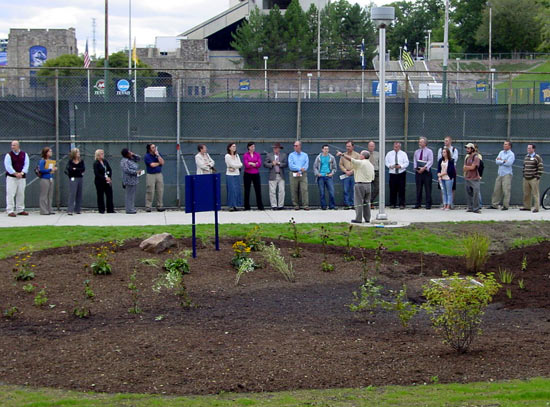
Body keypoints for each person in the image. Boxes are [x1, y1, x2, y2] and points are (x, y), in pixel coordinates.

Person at [337, 150, 375, 224]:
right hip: (369, 185)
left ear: (363, 156)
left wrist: (342, 155)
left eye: (360, 154)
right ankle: (367, 218)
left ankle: (358, 218)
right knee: (367, 202)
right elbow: (372, 176)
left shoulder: (361, 162)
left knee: (358, 202)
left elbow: (351, 160)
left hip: (360, 184)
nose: (359, 156)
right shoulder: (370, 165)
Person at [4, 140, 29, 217]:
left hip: (21, 177)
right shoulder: (9, 155)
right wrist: (15, 173)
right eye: (12, 145)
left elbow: (26, 164)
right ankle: (10, 210)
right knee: (10, 193)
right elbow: (8, 166)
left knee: (21, 193)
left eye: (14, 145)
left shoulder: (24, 154)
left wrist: (22, 173)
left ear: (18, 146)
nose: (12, 147)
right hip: (11, 177)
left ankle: (20, 209)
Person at [490, 141, 515, 211]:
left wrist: (501, 161)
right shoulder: (501, 152)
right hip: (500, 173)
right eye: (504, 144)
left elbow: (509, 163)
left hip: (507, 174)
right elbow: (497, 161)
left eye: (506, 144)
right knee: (497, 189)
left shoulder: (511, 154)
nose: (504, 145)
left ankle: (505, 205)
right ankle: (494, 204)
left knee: (506, 190)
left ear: (509, 146)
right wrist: (503, 161)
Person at [385, 141, 409, 209]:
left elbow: (406, 163)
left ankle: (402, 204)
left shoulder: (403, 154)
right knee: (392, 189)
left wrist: (401, 166)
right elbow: (386, 162)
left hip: (401, 173)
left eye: (397, 146)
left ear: (400, 147)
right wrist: (390, 166)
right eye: (395, 146)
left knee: (401, 189)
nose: (396, 148)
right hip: (392, 173)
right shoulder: (389, 153)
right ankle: (392, 203)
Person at [264, 142, 287, 210]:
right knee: (272, 191)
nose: (276, 149)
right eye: (274, 148)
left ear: (279, 149)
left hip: (281, 175)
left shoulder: (283, 155)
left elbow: (286, 164)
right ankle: (274, 205)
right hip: (272, 175)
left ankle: (280, 205)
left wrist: (279, 163)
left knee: (282, 191)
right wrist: (272, 164)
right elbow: (265, 164)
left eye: (277, 148)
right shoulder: (269, 155)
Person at [521, 143, 544, 213]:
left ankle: (536, 208)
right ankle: (527, 206)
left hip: (534, 178)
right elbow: (524, 166)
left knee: (535, 193)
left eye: (530, 148)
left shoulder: (537, 157)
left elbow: (540, 168)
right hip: (526, 178)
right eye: (528, 148)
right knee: (526, 193)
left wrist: (537, 177)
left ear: (533, 149)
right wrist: (524, 174)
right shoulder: (526, 157)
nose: (528, 149)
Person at [437, 136, 459, 207]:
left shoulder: (454, 150)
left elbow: (454, 159)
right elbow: (439, 159)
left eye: (446, 141)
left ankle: (450, 203)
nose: (445, 142)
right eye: (444, 141)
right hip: (442, 170)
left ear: (450, 141)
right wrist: (440, 173)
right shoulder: (441, 149)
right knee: (442, 188)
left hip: (450, 171)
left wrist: (448, 159)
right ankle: (444, 203)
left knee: (451, 188)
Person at [313, 144, 337, 210]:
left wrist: (332, 173)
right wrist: (318, 174)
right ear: (322, 149)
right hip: (320, 177)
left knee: (331, 192)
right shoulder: (318, 157)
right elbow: (315, 167)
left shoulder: (331, 157)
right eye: (325, 149)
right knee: (322, 192)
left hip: (329, 177)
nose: (326, 150)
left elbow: (334, 168)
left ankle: (332, 206)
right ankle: (323, 206)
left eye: (327, 149)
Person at [339, 140, 361, 210]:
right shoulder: (343, 155)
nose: (348, 148)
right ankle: (347, 204)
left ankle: (353, 204)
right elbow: (341, 164)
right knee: (346, 190)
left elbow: (359, 164)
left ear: (353, 147)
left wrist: (352, 171)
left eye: (349, 146)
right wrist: (345, 171)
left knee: (354, 190)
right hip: (346, 175)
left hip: (354, 175)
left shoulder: (357, 155)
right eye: (347, 146)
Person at [288, 140, 310, 210]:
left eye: (296, 146)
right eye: (294, 146)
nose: (295, 147)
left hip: (303, 174)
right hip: (293, 173)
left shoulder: (305, 155)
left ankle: (305, 205)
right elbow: (291, 165)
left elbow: (306, 165)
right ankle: (296, 205)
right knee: (294, 190)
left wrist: (300, 171)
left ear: (300, 146)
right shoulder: (291, 155)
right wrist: (300, 169)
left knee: (304, 189)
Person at [413, 137, 434, 209]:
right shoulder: (416, 152)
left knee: (428, 188)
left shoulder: (429, 151)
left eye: (421, 142)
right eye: (419, 142)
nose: (419, 143)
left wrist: (424, 168)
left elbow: (430, 161)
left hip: (426, 172)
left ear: (425, 143)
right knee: (418, 188)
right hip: (418, 172)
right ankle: (418, 203)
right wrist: (416, 168)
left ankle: (428, 204)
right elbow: (415, 161)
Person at [243, 142, 264, 211]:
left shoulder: (257, 154)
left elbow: (259, 164)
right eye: (252, 146)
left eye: (254, 147)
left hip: (256, 173)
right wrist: (254, 164)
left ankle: (260, 206)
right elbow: (246, 165)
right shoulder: (246, 155)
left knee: (258, 190)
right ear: (248, 147)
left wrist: (251, 163)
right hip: (247, 174)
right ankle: (246, 206)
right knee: (247, 190)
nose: (253, 148)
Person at [144, 143, 165, 212]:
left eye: (155, 147)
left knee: (160, 190)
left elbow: (163, 162)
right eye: (153, 147)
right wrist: (159, 163)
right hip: (151, 174)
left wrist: (158, 155)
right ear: (149, 149)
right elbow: (152, 165)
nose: (154, 148)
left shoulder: (158, 155)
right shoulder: (147, 156)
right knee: (150, 190)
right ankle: (148, 206)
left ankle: (160, 206)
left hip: (159, 174)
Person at [120, 148, 142, 214]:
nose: (130, 153)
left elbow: (139, 158)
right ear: (126, 154)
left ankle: (131, 208)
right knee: (129, 195)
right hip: (128, 180)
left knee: (132, 195)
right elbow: (126, 170)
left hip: (134, 180)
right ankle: (129, 209)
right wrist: (136, 172)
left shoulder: (131, 159)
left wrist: (133, 154)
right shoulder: (124, 161)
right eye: (129, 152)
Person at [93, 149, 115, 214]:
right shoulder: (96, 163)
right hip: (100, 181)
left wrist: (109, 177)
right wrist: (104, 178)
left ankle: (110, 209)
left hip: (107, 180)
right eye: (101, 153)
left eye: (103, 153)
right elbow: (97, 173)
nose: (103, 155)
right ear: (98, 155)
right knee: (100, 195)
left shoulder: (105, 161)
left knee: (109, 194)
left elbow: (109, 169)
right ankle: (101, 209)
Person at [463, 143, 482, 214]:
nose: (467, 150)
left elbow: (473, 167)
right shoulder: (467, 157)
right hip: (468, 177)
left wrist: (468, 167)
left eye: (468, 148)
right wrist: (468, 168)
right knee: (469, 194)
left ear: (472, 149)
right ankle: (470, 207)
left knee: (476, 194)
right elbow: (464, 168)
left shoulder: (476, 157)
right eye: (466, 148)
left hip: (475, 178)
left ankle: (476, 208)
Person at [65, 148, 85, 215]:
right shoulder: (70, 161)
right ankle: (70, 210)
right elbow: (70, 169)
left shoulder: (81, 161)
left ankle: (78, 209)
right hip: (73, 178)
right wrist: (76, 170)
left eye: (79, 152)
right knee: (72, 194)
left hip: (80, 178)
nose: (78, 154)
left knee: (79, 194)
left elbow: (82, 169)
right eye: (77, 153)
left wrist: (75, 169)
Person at [38, 147, 57, 215]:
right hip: (44, 179)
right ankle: (43, 210)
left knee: (50, 195)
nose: (51, 153)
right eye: (49, 151)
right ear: (46, 153)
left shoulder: (50, 161)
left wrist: (54, 169)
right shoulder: (42, 161)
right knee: (44, 195)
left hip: (50, 178)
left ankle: (49, 209)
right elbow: (41, 170)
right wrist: (50, 170)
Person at [225, 142, 243, 211]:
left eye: (235, 146)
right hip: (230, 175)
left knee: (237, 190)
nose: (234, 148)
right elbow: (231, 164)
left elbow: (240, 164)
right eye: (233, 146)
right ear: (229, 148)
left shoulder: (237, 155)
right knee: (231, 190)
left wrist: (235, 166)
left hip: (237, 174)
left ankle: (236, 205)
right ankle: (231, 206)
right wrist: (236, 166)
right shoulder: (227, 156)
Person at [367, 141, 380, 208]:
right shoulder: (365, 154)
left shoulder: (378, 154)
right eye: (370, 146)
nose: (371, 147)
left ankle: (370, 201)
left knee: (377, 188)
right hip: (368, 172)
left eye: (372, 146)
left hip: (376, 172)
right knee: (367, 188)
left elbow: (380, 163)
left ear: (374, 147)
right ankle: (367, 203)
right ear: (368, 146)